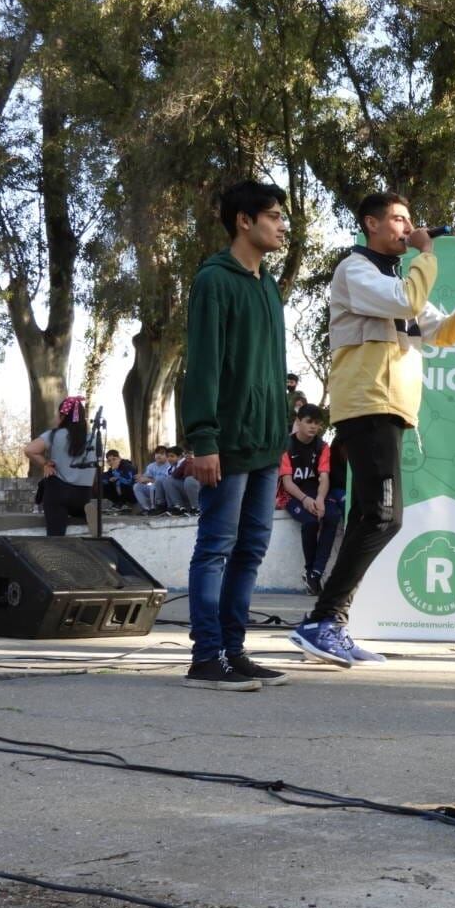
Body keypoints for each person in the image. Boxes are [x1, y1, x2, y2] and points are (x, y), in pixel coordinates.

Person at [288, 191, 455, 668]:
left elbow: (441, 331)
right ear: (370, 225)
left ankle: (329, 622)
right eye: (397, 219)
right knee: (383, 515)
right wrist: (428, 254)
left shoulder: (393, 280)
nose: (407, 227)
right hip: (367, 405)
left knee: (372, 516)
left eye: (409, 220)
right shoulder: (356, 271)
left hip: (388, 408)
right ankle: (324, 621)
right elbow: (409, 298)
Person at [180, 180, 293, 691]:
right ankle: (205, 658)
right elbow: (202, 366)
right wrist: (203, 438)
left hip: (267, 443)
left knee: (251, 549)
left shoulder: (268, 285)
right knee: (216, 547)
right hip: (225, 443)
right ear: (244, 221)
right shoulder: (214, 281)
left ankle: (233, 649)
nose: (282, 225)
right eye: (273, 216)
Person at [23, 396, 99, 536]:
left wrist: (45, 463)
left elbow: (29, 450)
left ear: (63, 416)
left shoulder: (53, 435)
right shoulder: (93, 439)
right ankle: (85, 512)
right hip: (83, 494)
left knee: (56, 534)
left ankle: (57, 542)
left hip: (59, 493)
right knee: (80, 505)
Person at [277, 403, 330, 593]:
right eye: (309, 422)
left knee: (332, 516)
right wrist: (306, 499)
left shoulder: (322, 447)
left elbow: (324, 477)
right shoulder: (286, 445)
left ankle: (316, 572)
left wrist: (320, 498)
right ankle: (309, 571)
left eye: (317, 423)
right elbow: (287, 482)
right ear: (298, 422)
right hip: (292, 495)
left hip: (316, 493)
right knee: (310, 522)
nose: (313, 427)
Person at [306, 429, 347, 594]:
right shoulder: (333, 452)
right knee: (332, 517)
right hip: (335, 493)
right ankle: (316, 573)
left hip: (348, 494)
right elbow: (331, 479)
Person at [159, 445, 201, 515]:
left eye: (190, 453)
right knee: (168, 480)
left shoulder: (190, 461)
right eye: (168, 456)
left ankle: (197, 508)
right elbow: (175, 475)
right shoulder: (182, 463)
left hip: (201, 490)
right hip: (188, 489)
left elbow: (189, 473)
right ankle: (179, 507)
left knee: (189, 480)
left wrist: (187, 462)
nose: (188, 455)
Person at [133, 445, 171, 515]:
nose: (158, 455)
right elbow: (147, 477)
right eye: (157, 453)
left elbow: (163, 481)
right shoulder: (151, 466)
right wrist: (141, 478)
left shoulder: (169, 466)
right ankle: (147, 508)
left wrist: (149, 480)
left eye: (162, 454)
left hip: (163, 492)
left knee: (154, 486)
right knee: (137, 486)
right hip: (153, 490)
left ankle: (155, 508)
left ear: (167, 456)